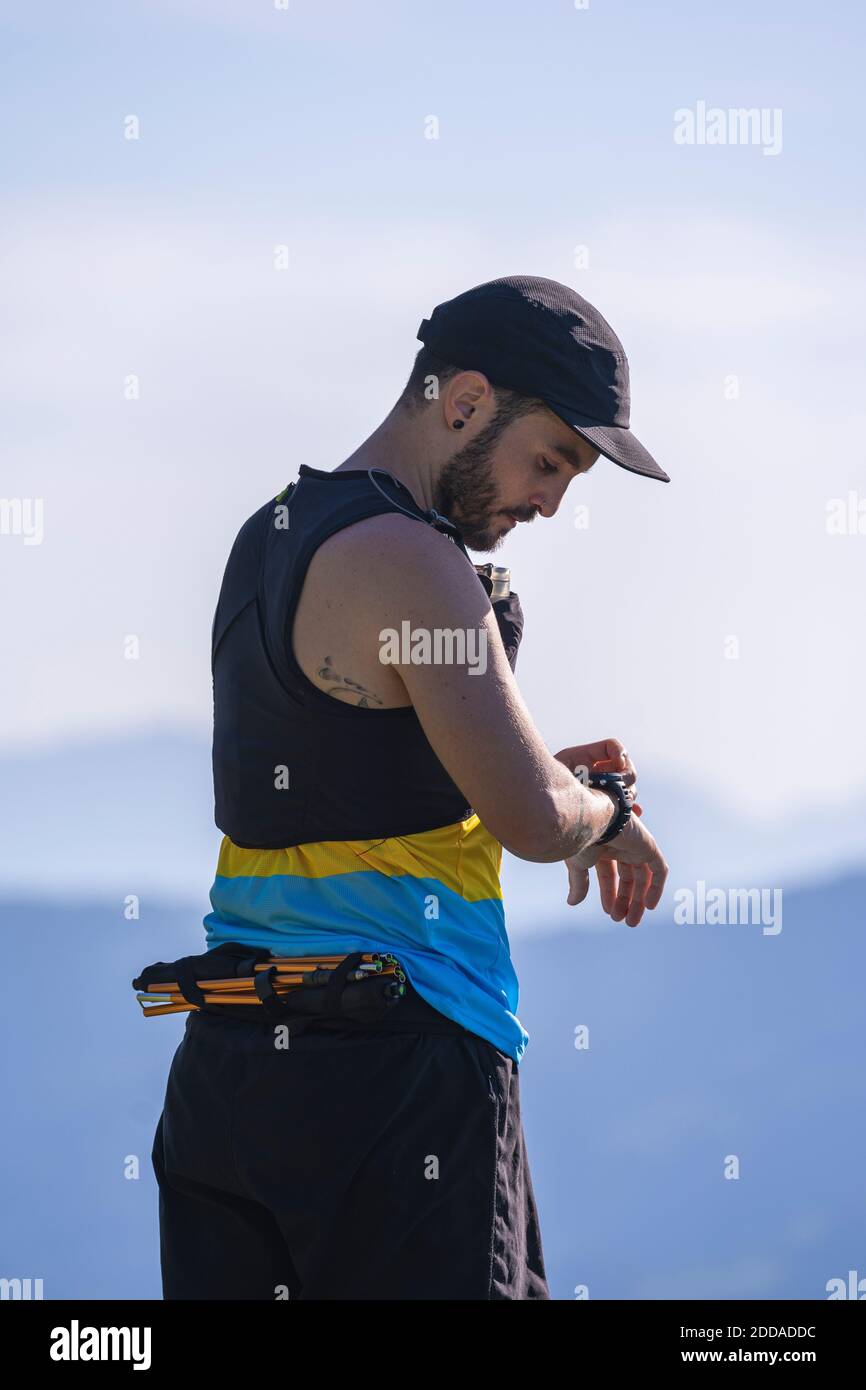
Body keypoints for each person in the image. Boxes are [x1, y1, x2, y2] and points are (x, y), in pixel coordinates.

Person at [151, 274, 670, 1301]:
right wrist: (605, 811)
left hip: (232, 1072)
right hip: (394, 1078)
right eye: (550, 459)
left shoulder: (271, 535)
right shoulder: (417, 559)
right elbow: (529, 823)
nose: (550, 502)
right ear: (465, 401)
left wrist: (537, 773)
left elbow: (344, 783)